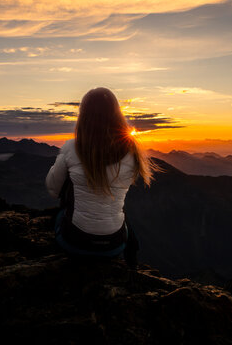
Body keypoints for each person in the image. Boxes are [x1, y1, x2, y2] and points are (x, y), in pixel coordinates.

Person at [45, 87, 155, 266]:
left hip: (75, 242)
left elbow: (53, 190)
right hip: (114, 244)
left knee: (58, 214)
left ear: (84, 116)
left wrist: (62, 164)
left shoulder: (71, 148)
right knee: (118, 211)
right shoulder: (132, 151)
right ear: (117, 114)